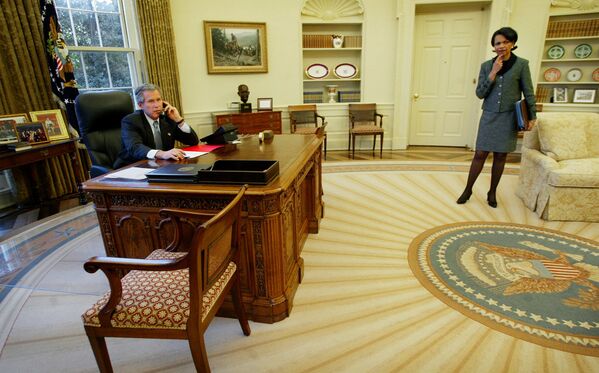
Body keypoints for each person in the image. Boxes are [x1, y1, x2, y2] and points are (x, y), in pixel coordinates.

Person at [456, 27, 537, 208]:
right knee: (480, 154)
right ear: (493, 46)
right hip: (489, 117)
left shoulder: (522, 65)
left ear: (513, 44)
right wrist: (493, 72)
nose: (502, 46)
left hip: (509, 118)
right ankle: (468, 190)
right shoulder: (486, 66)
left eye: (506, 42)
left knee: (500, 156)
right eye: (498, 43)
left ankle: (492, 192)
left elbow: (528, 92)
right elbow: (480, 93)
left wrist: (532, 116)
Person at [114, 84, 199, 168]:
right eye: (151, 101)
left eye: (159, 100)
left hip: (161, 166)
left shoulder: (167, 119)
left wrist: (178, 119)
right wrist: (162, 154)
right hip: (133, 167)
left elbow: (193, 141)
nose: (157, 105)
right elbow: (135, 147)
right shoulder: (131, 121)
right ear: (140, 105)